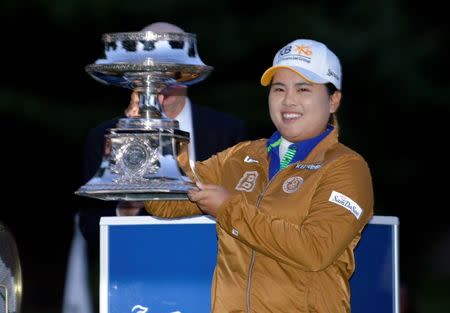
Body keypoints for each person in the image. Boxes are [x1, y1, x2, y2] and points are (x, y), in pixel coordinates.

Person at [144, 38, 374, 312]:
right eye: (279, 89)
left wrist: (229, 209)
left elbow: (315, 250)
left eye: (303, 89)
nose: (288, 100)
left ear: (333, 100)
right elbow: (163, 202)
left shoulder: (346, 167)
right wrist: (148, 144)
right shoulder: (240, 157)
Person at [74, 21, 248, 313]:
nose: (159, 78)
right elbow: (90, 226)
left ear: (188, 71)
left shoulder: (228, 132)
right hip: (135, 281)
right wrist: (126, 198)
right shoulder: (107, 136)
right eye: (143, 68)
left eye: (170, 68)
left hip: (213, 274)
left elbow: (246, 209)